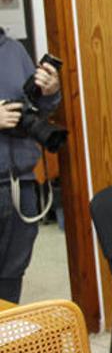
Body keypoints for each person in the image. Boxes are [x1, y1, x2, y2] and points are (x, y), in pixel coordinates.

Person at [0, 28, 61, 303]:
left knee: (12, 274)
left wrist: (49, 92)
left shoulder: (14, 50)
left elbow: (35, 110)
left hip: (20, 186)